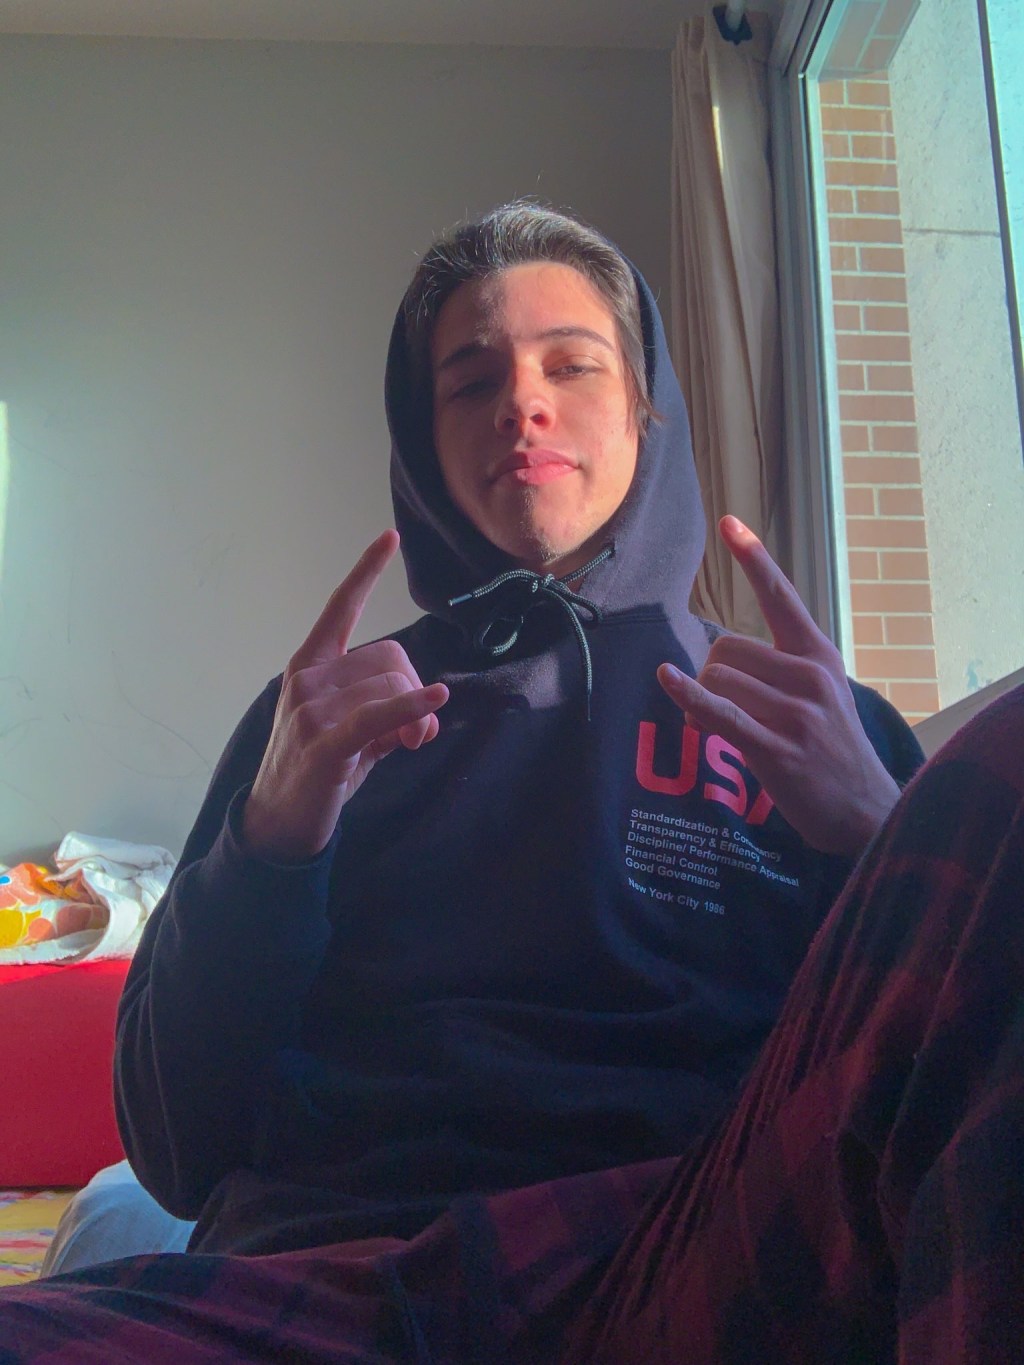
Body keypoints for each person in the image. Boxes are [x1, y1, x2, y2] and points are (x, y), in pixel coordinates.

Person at [1, 200, 959, 1360]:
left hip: (695, 1249)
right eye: (470, 381)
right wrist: (268, 849)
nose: (522, 403)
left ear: (646, 409)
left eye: (572, 365)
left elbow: (937, 1093)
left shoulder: (820, 728)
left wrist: (876, 837)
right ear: (423, 441)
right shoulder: (316, 727)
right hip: (337, 1264)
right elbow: (173, 1151)